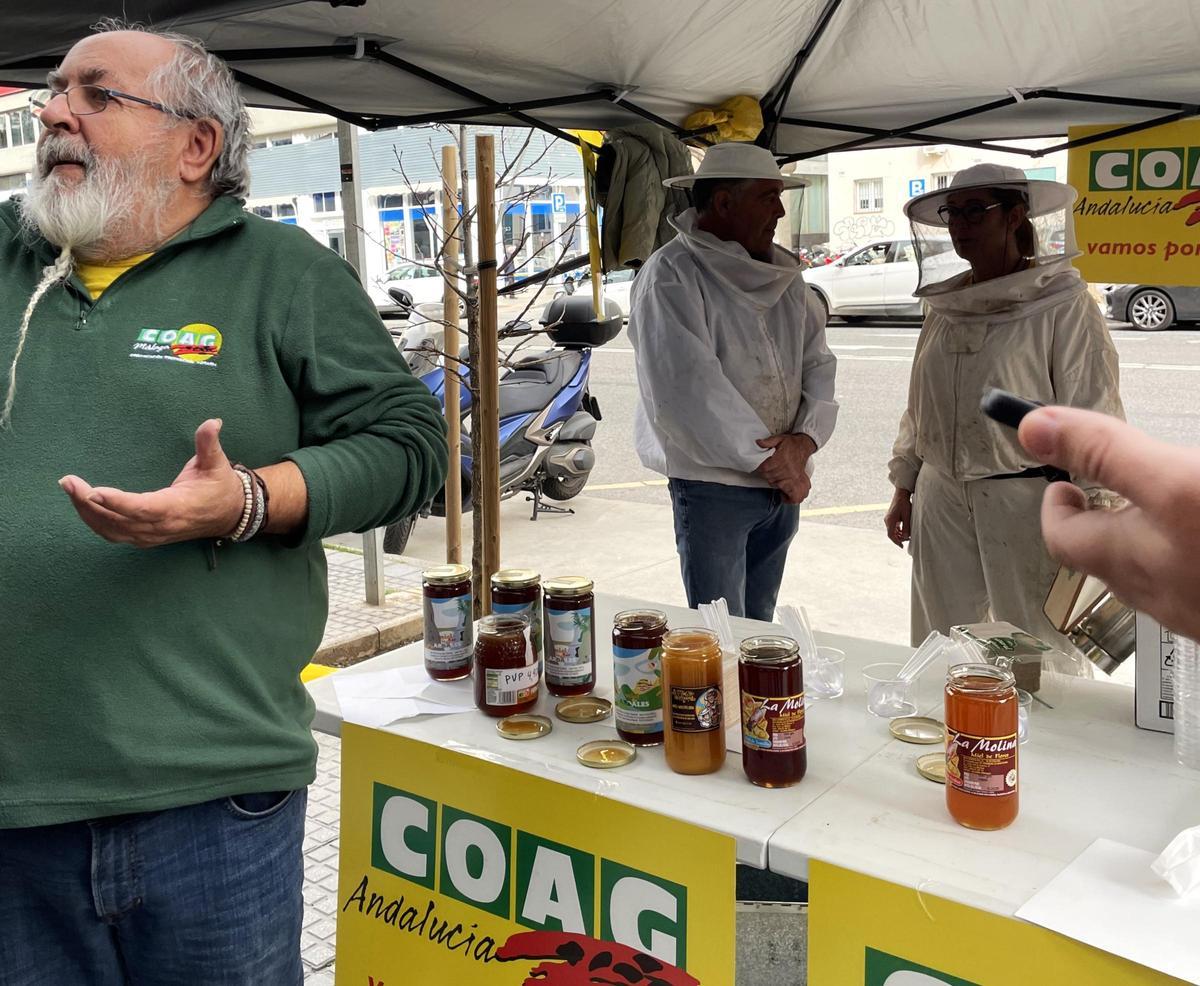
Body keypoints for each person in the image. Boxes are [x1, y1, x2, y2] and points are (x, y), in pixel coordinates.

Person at [0, 23, 447, 983]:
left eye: (95, 93)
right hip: (13, 808)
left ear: (196, 146)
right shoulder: (5, 257)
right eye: (54, 90)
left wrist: (249, 499)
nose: (53, 112)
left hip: (214, 801)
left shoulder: (282, 273)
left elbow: (413, 449)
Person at [884, 163, 1123, 646]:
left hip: (1027, 497)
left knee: (1034, 647)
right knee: (941, 638)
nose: (960, 225)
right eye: (953, 213)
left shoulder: (1062, 303)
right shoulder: (946, 306)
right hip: (942, 496)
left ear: (1015, 217)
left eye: (976, 211)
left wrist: (1096, 505)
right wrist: (905, 485)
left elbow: (1092, 408)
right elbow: (921, 404)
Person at [627, 141, 838, 621]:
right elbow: (688, 390)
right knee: (720, 637)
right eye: (767, 197)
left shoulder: (784, 278)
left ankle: (754, 701)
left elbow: (818, 364)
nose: (780, 211)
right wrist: (779, 459)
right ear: (723, 203)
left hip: (783, 481)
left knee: (758, 627)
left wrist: (803, 442)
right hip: (713, 485)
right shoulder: (672, 275)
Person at [1020, 406, 1200, 641]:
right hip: (962, 483)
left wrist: (1098, 495)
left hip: (1036, 479)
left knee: (1043, 620)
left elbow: (1090, 393)